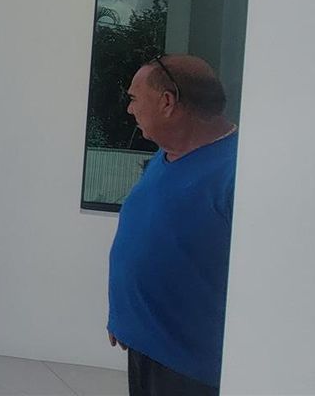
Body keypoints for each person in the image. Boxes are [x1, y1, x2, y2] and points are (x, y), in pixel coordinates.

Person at [107, 54, 239, 396]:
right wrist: (125, 313)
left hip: (191, 367)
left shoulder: (236, 172)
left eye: (135, 98)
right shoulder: (164, 156)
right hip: (145, 344)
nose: (129, 109)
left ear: (168, 102)